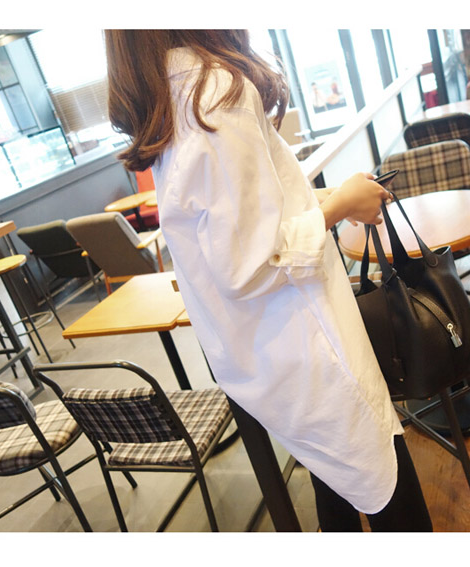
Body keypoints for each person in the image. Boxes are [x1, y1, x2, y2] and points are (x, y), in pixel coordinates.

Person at [105, 29, 432, 532]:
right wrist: (338, 207)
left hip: (265, 354)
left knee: (334, 480)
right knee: (385, 484)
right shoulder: (213, 91)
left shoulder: (172, 97)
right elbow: (250, 263)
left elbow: (238, 228)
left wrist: (329, 202)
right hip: (306, 346)